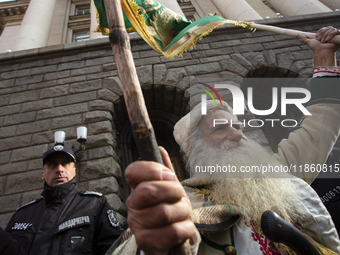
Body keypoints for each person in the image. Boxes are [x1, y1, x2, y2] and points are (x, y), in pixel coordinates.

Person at [108, 26, 340, 255]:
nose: (237, 134)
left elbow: (320, 124)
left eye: (238, 127)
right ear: (196, 148)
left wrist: (324, 57)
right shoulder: (184, 200)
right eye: (221, 129)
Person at [0, 145, 123, 255]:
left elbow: (116, 248)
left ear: (74, 172)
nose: (59, 169)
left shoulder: (95, 205)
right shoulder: (22, 214)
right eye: (52, 164)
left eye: (65, 164)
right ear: (43, 174)